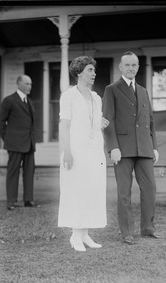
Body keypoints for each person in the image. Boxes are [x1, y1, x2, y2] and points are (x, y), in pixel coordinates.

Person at [102, 51, 159, 245]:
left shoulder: (143, 90)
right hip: (123, 149)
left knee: (150, 188)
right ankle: (127, 232)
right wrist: (113, 148)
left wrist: (154, 147)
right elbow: (107, 119)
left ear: (138, 67)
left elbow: (150, 121)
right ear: (120, 67)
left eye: (134, 65)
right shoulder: (112, 89)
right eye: (127, 65)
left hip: (144, 147)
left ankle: (148, 228)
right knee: (124, 192)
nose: (131, 68)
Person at [58, 56, 109, 252]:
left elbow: (93, 123)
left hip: (95, 151)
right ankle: (75, 236)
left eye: (94, 70)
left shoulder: (96, 98)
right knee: (77, 191)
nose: (94, 73)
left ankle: (85, 234)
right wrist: (67, 151)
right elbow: (65, 125)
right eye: (90, 70)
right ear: (79, 73)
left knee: (92, 191)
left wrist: (100, 124)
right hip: (76, 151)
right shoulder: (68, 96)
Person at [0, 75, 38, 210]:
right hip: (15, 144)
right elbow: (1, 123)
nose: (30, 87)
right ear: (19, 84)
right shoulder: (9, 100)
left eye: (31, 84)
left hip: (29, 144)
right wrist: (8, 139)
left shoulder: (29, 101)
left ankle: (28, 200)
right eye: (27, 84)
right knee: (13, 172)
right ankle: (11, 202)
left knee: (29, 172)